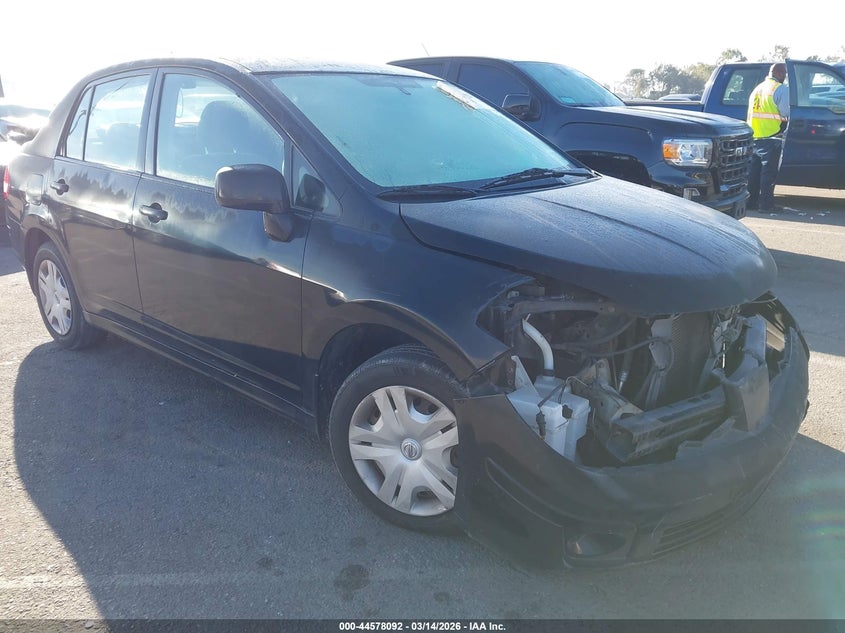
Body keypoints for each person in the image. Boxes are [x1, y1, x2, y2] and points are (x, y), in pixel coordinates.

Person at [747, 63, 790, 212]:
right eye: (784, 73)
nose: (785, 76)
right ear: (778, 73)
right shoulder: (780, 89)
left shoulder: (757, 89)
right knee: (768, 174)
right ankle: (766, 205)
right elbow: (786, 113)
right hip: (772, 136)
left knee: (754, 173)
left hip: (755, 136)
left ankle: (750, 203)